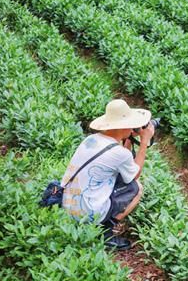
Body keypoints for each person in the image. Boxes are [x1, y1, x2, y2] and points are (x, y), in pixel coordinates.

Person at [60, 99, 155, 250]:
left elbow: (119, 159)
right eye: (130, 125)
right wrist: (144, 142)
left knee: (119, 178)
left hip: (68, 205)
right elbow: (134, 175)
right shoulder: (119, 153)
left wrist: (128, 140)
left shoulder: (91, 139)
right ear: (122, 126)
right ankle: (105, 233)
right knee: (136, 187)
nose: (132, 129)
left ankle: (96, 224)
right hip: (88, 212)